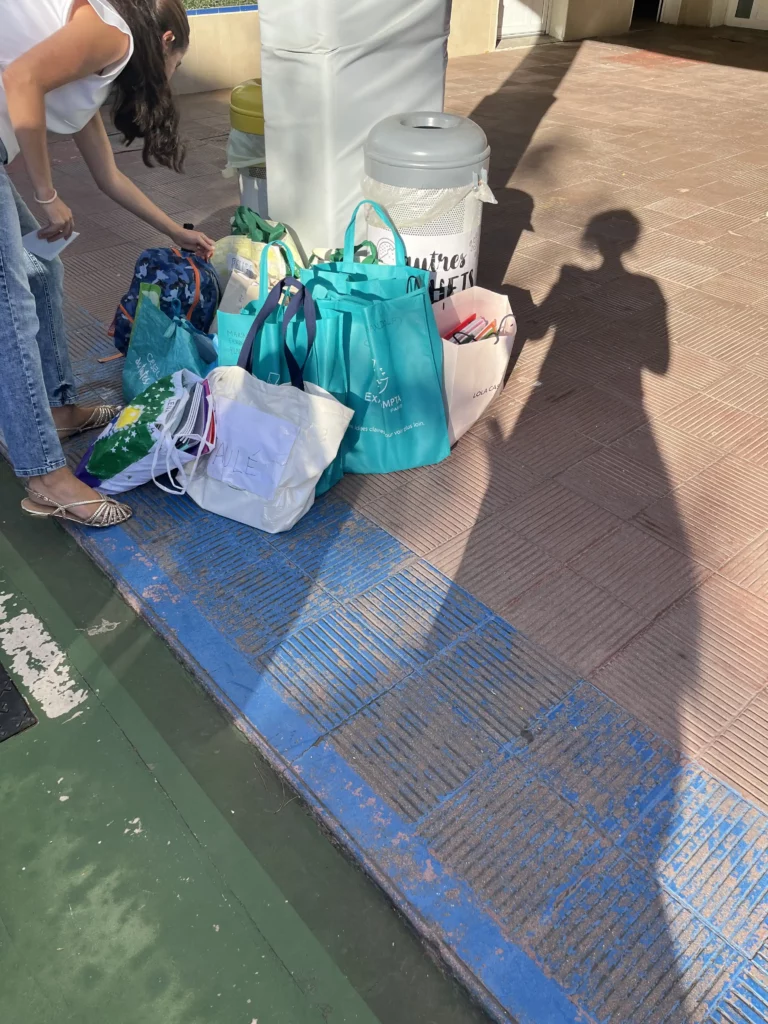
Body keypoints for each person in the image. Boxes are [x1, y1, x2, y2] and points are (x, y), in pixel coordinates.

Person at [0, 0, 215, 527]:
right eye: (179, 64)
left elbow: (108, 176)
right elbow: (21, 77)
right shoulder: (113, 33)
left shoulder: (88, 64)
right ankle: (46, 477)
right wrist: (47, 194)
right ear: (166, 41)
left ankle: (58, 409)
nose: (171, 76)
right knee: (10, 311)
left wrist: (175, 232)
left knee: (41, 268)